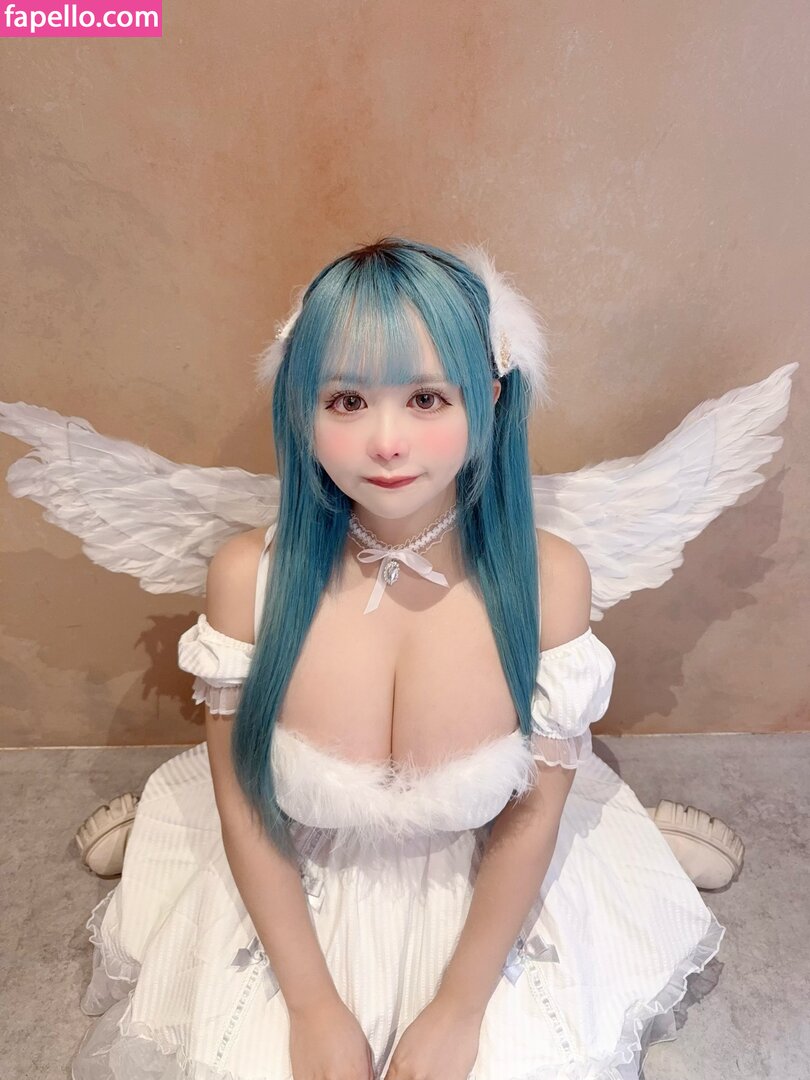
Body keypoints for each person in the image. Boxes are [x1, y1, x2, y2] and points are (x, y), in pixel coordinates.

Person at [57, 235, 753, 1080]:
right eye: (347, 400)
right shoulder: (248, 577)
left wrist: (460, 1006)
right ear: (301, 407)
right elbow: (243, 798)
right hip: (301, 864)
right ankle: (157, 829)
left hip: (484, 866)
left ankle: (640, 833)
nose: (386, 442)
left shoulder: (550, 579)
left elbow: (532, 813)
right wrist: (311, 1005)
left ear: (488, 397)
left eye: (426, 397)